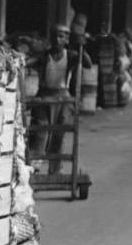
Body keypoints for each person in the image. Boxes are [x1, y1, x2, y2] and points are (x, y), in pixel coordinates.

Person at [27, 23, 91, 175]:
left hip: (62, 99)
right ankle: (34, 167)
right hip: (43, 97)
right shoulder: (44, 56)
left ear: (66, 39)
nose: (57, 39)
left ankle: (55, 169)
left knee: (58, 134)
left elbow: (87, 64)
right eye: (55, 35)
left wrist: (82, 47)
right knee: (40, 132)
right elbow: (29, 63)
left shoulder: (71, 55)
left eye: (61, 36)